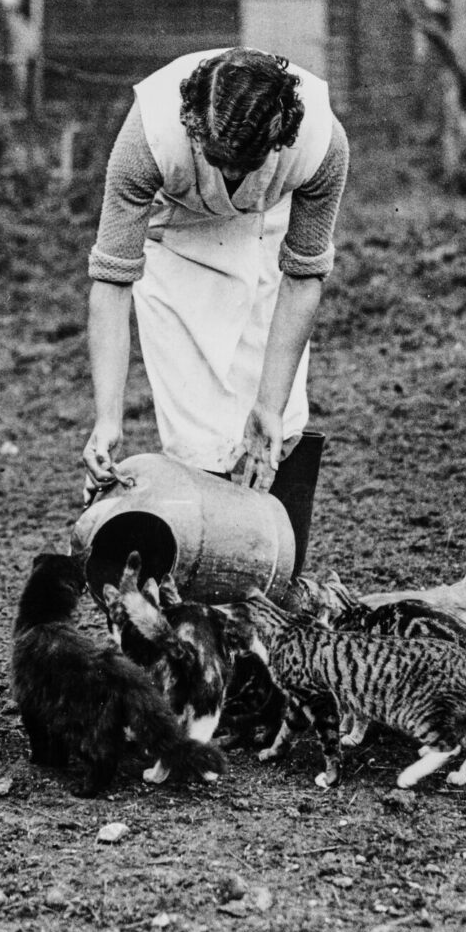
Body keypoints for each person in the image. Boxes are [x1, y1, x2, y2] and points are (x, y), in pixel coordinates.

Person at [82, 47, 349, 568]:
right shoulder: (148, 137)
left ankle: (279, 575)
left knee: (282, 416)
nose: (228, 175)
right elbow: (111, 281)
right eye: (217, 159)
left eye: (242, 164)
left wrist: (268, 406)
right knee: (195, 431)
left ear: (281, 136)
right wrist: (107, 419)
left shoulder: (322, 143)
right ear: (193, 123)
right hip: (177, 241)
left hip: (267, 231)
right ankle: (207, 580)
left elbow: (303, 275)